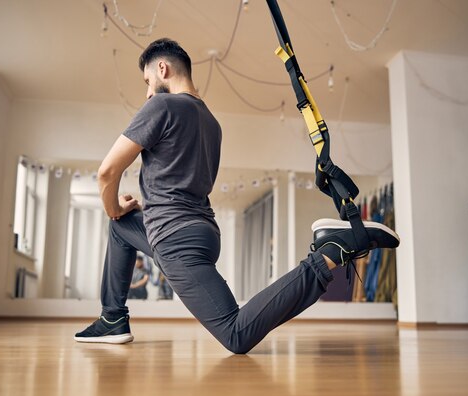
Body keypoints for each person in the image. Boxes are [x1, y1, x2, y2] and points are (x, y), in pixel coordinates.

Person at [74, 38, 399, 352]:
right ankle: (112, 318)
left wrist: (113, 206)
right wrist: (124, 215)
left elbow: (107, 171)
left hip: (174, 238)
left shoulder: (161, 105)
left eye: (147, 81)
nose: (147, 93)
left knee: (236, 334)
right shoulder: (211, 122)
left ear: (163, 69)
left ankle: (327, 254)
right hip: (200, 230)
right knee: (122, 228)